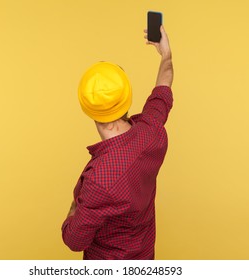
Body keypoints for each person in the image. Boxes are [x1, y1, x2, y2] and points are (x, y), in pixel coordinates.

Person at [61, 25, 174, 260]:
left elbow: (74, 240)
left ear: (87, 108)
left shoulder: (99, 179)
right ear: (127, 98)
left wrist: (73, 211)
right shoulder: (151, 131)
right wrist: (166, 54)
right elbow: (163, 88)